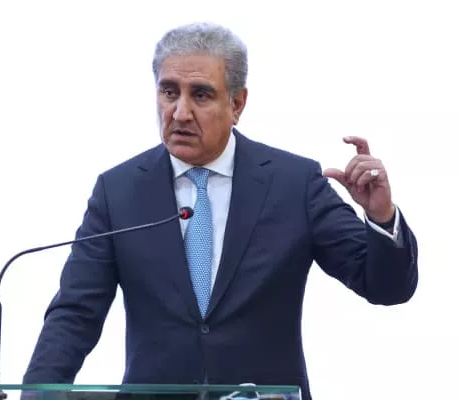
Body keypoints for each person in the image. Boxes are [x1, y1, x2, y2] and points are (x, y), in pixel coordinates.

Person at [22, 22, 418, 400]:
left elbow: (386, 287)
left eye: (201, 95)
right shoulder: (119, 191)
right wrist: (36, 392)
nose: (180, 112)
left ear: (237, 103)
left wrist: (381, 216)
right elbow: (75, 315)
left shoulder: (294, 184)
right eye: (169, 92)